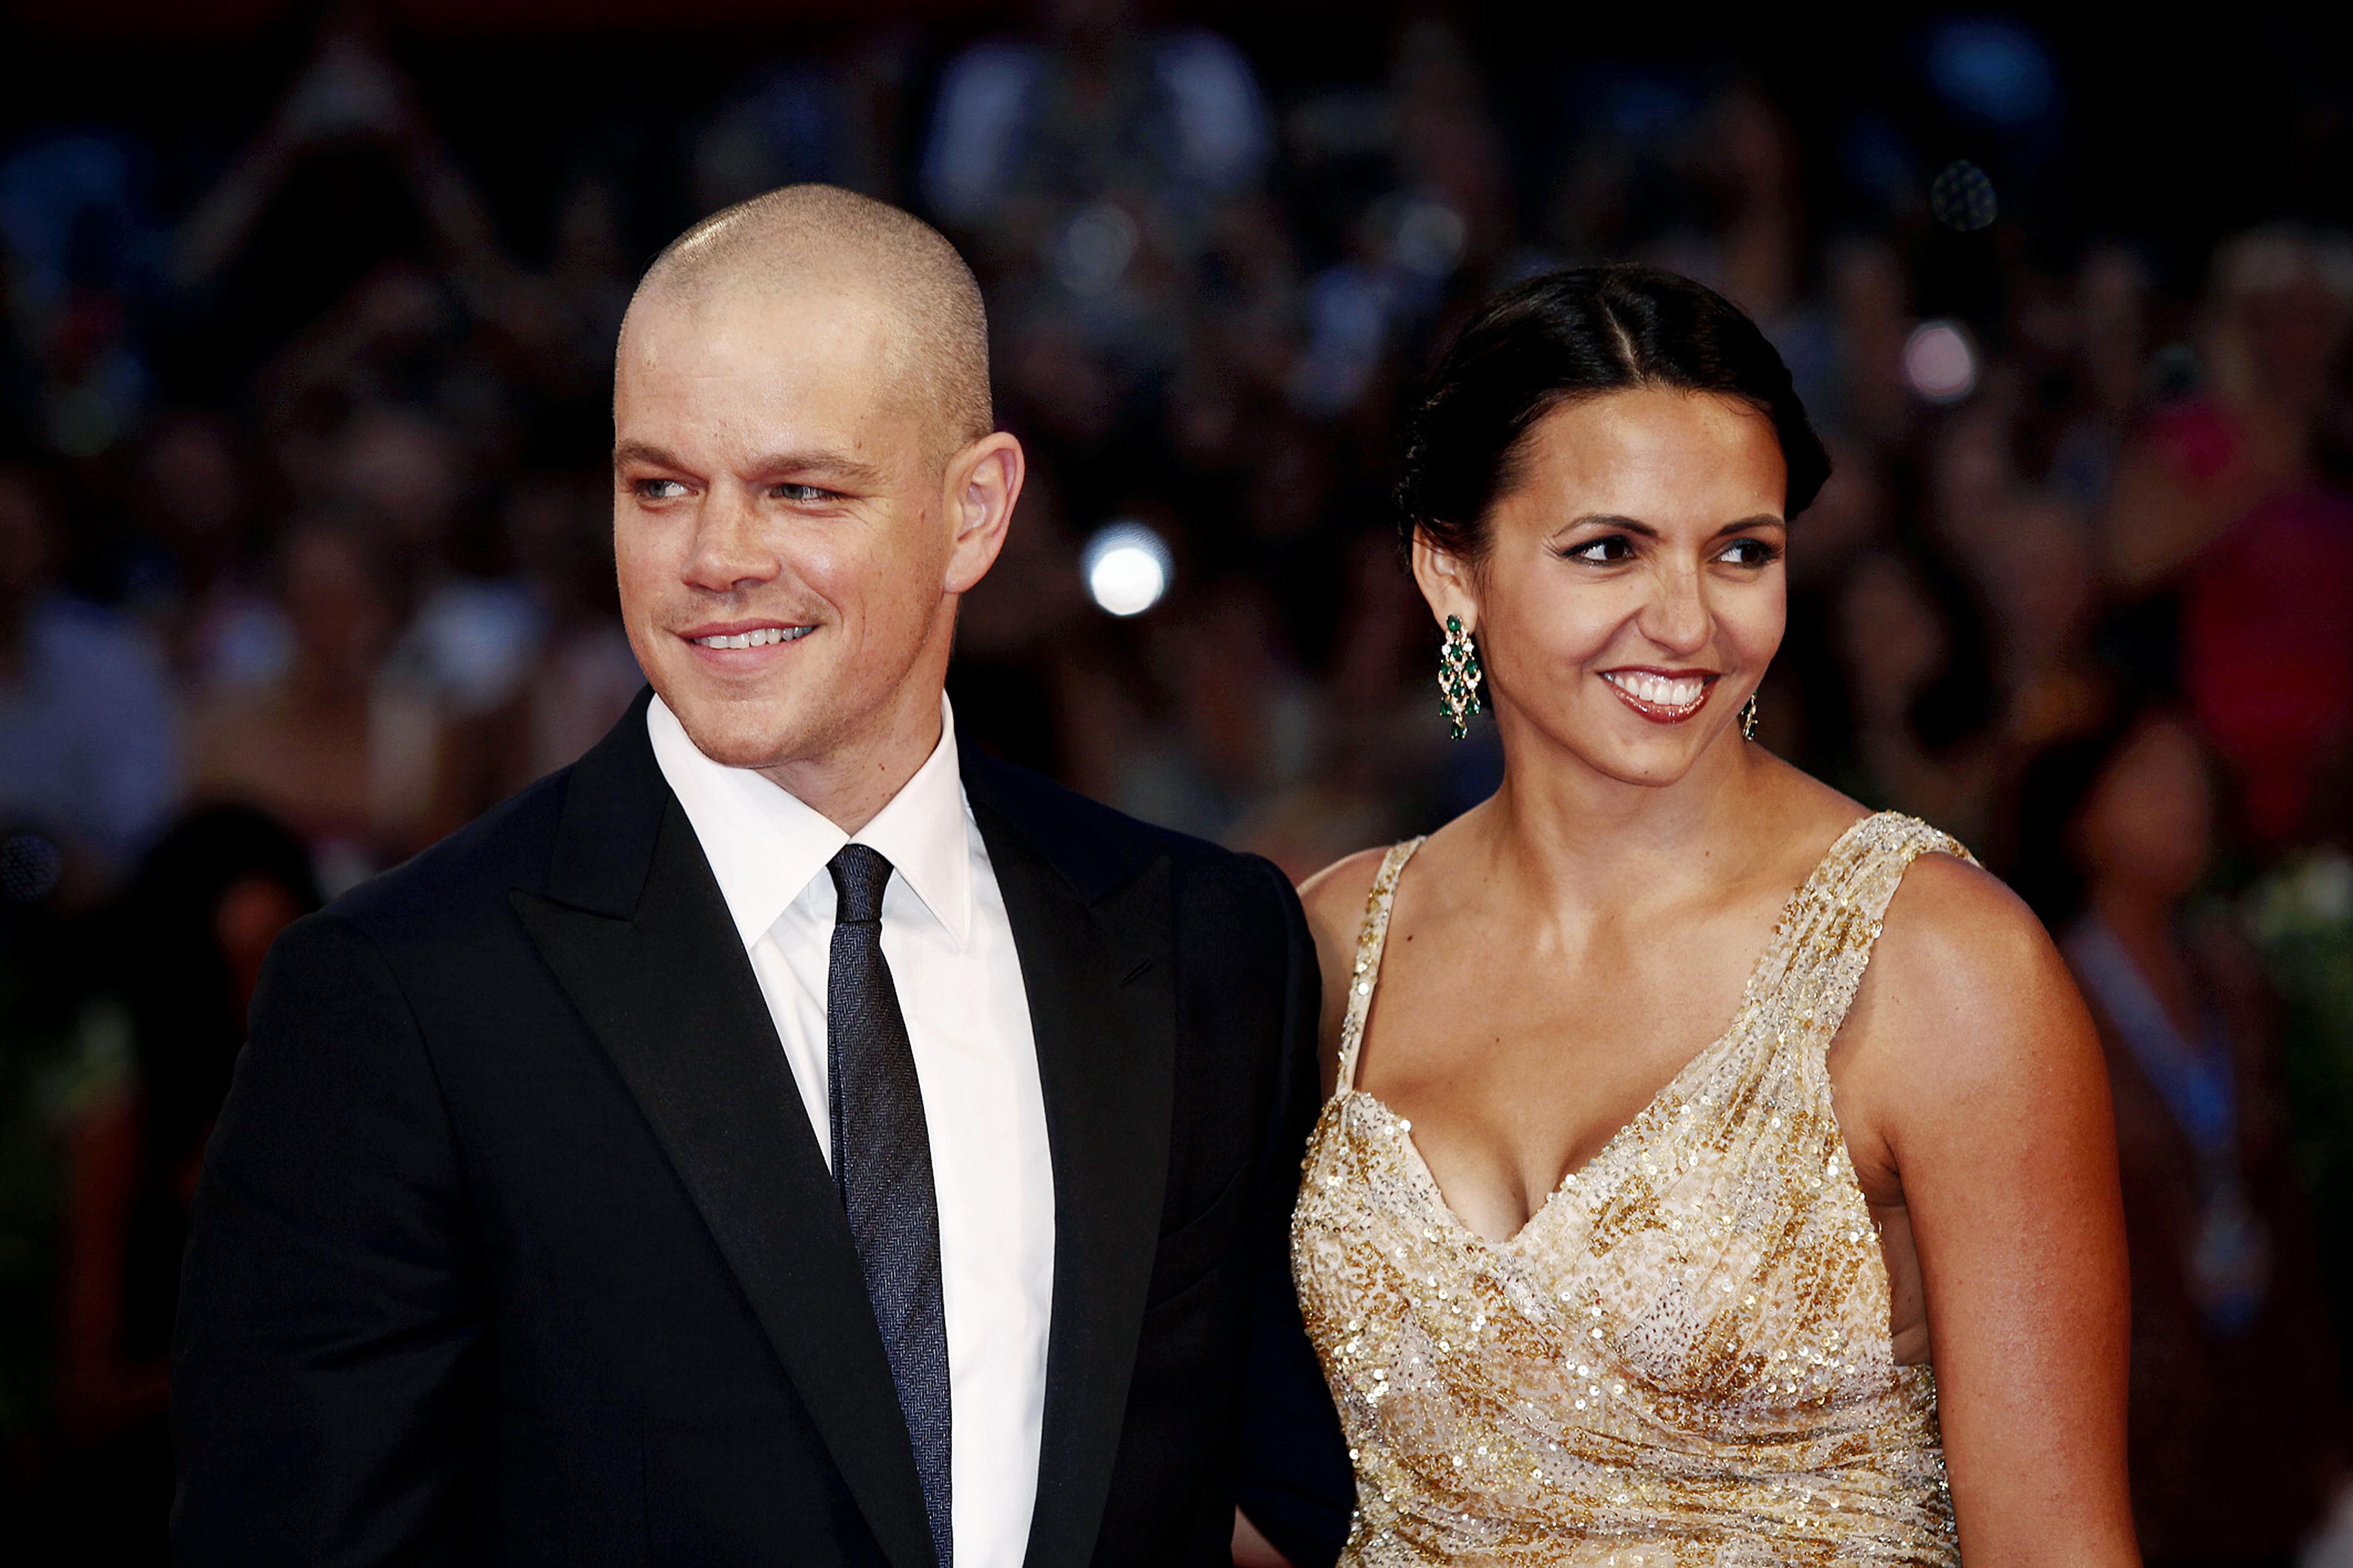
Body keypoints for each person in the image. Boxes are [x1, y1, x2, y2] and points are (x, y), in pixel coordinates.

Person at [173, 185, 1351, 1567]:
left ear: (976, 511)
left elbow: (1322, 1481)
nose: (715, 558)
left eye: (799, 489)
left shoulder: (1204, 944)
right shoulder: (408, 996)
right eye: (659, 485)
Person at [1289, 265, 2136, 1563]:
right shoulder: (1340, 940)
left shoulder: (1938, 962)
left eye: (1742, 550)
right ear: (1450, 571)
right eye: (1608, 549)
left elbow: (2058, 1540)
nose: (1687, 620)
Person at [2014, 709, 2351, 1564]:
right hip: (2119, 1423)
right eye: (2150, 781)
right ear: (2081, 815)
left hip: (2256, 1399)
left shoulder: (2231, 973)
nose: (2184, 805)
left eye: (2193, 780)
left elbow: (2277, 1199)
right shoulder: (2038, 988)